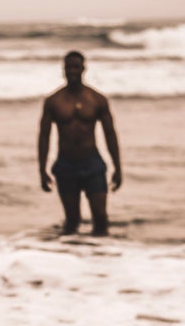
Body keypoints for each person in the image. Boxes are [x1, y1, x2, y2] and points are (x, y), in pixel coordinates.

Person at [38, 50, 122, 235]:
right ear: (63, 70)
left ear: (84, 69)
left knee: (100, 218)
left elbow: (110, 134)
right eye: (68, 67)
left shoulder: (97, 100)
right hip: (65, 165)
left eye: (76, 67)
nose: (72, 71)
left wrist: (118, 167)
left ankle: (100, 257)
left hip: (92, 164)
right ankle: (72, 257)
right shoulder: (54, 101)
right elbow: (44, 136)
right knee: (72, 221)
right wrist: (42, 170)